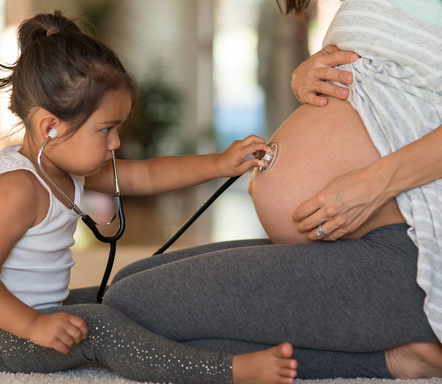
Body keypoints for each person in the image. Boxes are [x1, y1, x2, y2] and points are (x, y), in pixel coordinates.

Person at [0, 10, 301, 384]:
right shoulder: (16, 189)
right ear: (51, 127)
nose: (116, 142)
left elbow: (145, 174)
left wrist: (220, 163)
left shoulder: (62, 163)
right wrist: (35, 325)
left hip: (32, 310)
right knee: (98, 328)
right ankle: (227, 371)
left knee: (127, 296)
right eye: (106, 130)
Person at [104, 0, 442, 381]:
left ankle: (390, 361)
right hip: (356, 243)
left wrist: (373, 184)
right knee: (129, 281)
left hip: (413, 252)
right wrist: (307, 75)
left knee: (132, 306)